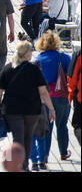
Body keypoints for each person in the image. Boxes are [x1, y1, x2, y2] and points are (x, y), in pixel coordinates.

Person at [0, 41, 56, 171]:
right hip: (31, 110)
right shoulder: (34, 69)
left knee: (17, 137)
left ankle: (15, 165)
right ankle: (24, 166)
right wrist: (51, 109)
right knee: (28, 137)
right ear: (27, 53)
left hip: (11, 110)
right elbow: (43, 92)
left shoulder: (8, 68)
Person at [35, 31, 72, 162]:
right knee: (62, 125)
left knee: (46, 128)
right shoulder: (65, 58)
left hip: (44, 97)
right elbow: (71, 76)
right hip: (62, 95)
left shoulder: (38, 59)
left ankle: (44, 155)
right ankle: (63, 152)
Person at [67, 49, 81, 146]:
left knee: (78, 124)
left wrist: (70, 96)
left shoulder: (79, 53)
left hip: (80, 97)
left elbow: (71, 76)